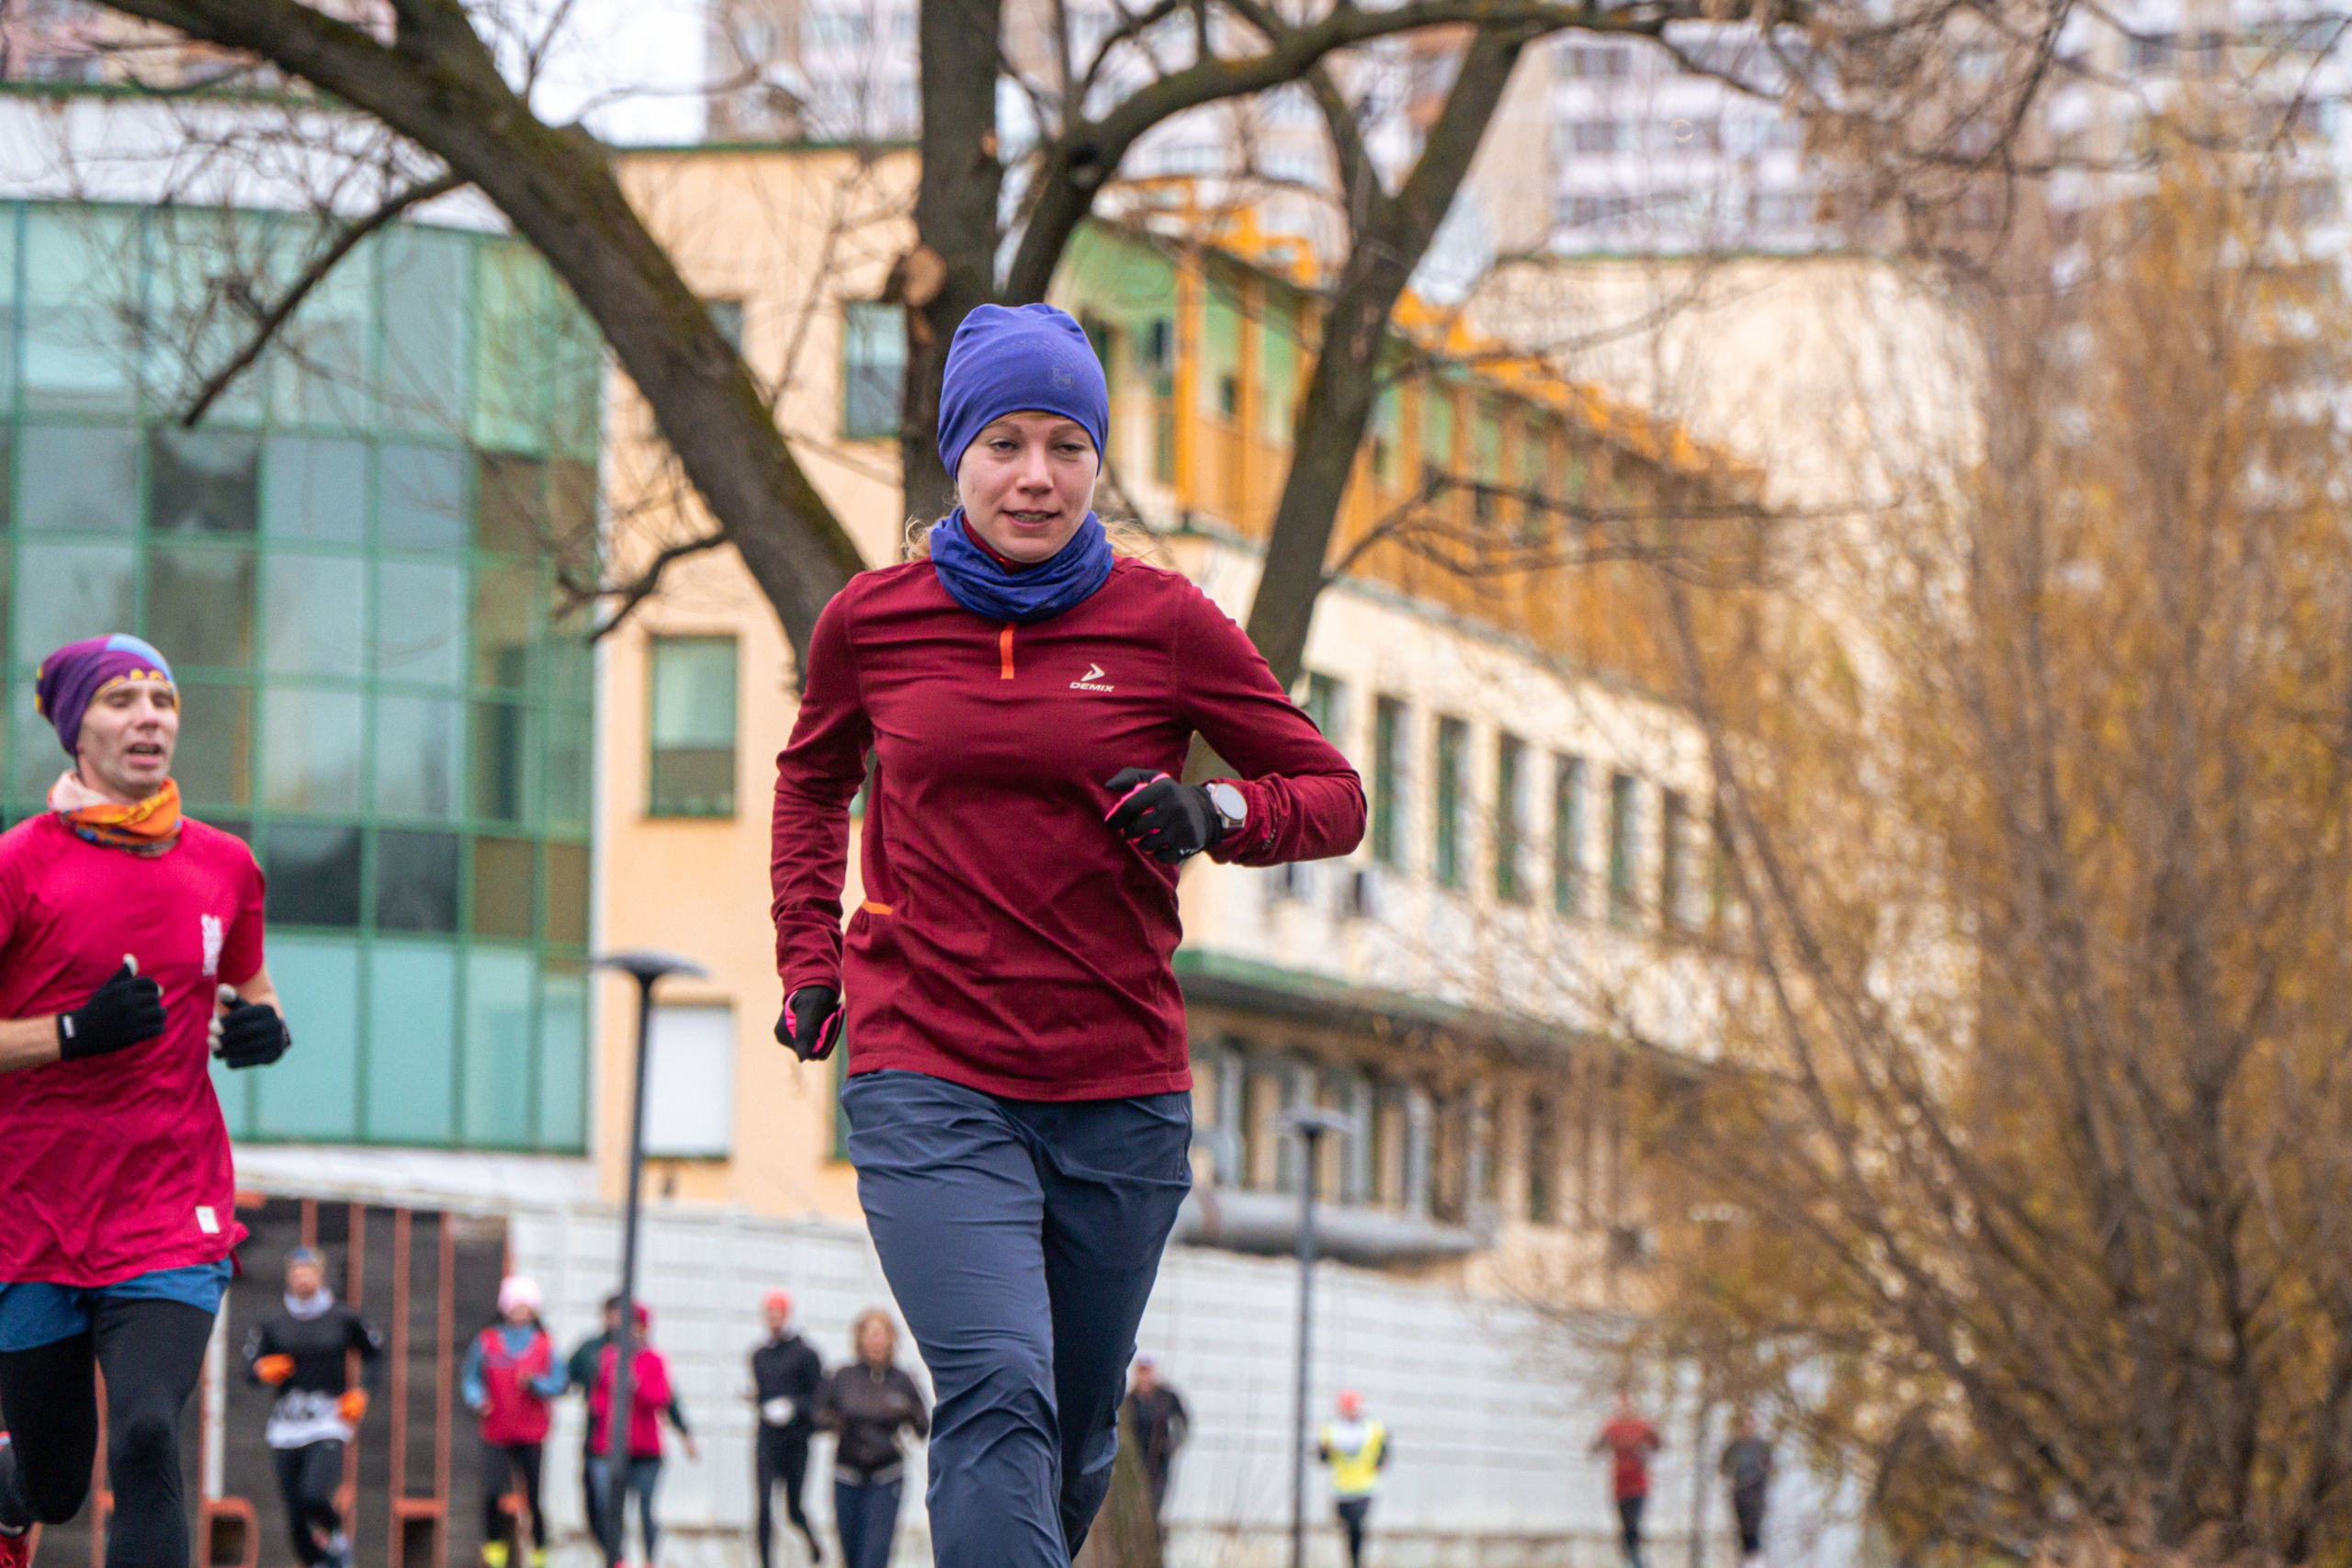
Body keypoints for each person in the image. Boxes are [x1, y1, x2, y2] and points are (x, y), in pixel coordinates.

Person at [771, 302, 1364, 1568]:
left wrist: (1214, 812)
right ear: (958, 453)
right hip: (928, 1067)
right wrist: (808, 957)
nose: (1035, 476)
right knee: (997, 1381)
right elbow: (812, 781)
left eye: (1066, 446)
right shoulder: (871, 622)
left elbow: (1334, 795)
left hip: (1115, 1087)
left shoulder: (1165, 624)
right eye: (1004, 443)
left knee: (1078, 1429)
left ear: (1097, 460)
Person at [0, 635, 290, 1568]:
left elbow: (251, 985)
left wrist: (264, 1028)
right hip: (32, 1209)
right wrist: (70, 1033)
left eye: (162, 699)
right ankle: (12, 1489)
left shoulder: (225, 865)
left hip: (171, 1203)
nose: (149, 718)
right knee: (55, 1482)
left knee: (148, 1432)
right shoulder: (18, 864)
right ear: (75, 727)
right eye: (121, 699)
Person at [243, 1247, 382, 1568]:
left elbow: (375, 1354)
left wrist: (363, 1393)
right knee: (294, 1512)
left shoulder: (343, 1317)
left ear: (320, 1275)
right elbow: (248, 1368)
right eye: (296, 1271)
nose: (302, 1277)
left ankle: (336, 1538)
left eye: (308, 1270)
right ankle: (317, 1561)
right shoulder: (274, 1323)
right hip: (286, 1424)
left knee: (313, 1495)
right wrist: (261, 1369)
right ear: (288, 1276)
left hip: (329, 1419)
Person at [567, 1293, 694, 1543]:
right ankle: (610, 1551)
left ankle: (619, 1554)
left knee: (628, 1508)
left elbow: (666, 1398)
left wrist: (684, 1432)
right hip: (599, 1438)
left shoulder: (649, 1359)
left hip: (634, 1446)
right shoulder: (594, 1349)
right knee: (598, 1507)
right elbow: (570, 1377)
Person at [461, 1275, 566, 1568]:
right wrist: (477, 1399)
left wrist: (537, 1384)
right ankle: (494, 1549)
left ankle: (540, 1551)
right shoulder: (487, 1341)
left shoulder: (545, 1344)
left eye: (525, 1308)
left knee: (533, 1496)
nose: (520, 1314)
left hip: (531, 1432)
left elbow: (559, 1381)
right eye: (515, 1307)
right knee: (492, 1492)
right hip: (497, 1430)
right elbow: (471, 1377)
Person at [815, 1311, 929, 1568]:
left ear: (891, 1339)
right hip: (847, 1474)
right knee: (850, 1555)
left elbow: (923, 1426)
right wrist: (840, 1422)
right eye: (870, 1334)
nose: (876, 1341)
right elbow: (818, 1416)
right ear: (859, 1339)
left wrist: (904, 1412)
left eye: (881, 1334)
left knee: (874, 1556)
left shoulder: (902, 1380)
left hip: (886, 1476)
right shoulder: (843, 1376)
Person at [750, 1289, 825, 1568]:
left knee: (793, 1507)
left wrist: (794, 1406)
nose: (773, 1319)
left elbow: (819, 1396)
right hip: (767, 1438)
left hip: (795, 1440)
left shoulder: (805, 1354)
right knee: (763, 1505)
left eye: (777, 1313)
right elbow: (762, 1395)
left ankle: (812, 1542)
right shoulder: (759, 1356)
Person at [1592, 1389, 1665, 1568]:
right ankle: (1629, 1561)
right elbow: (1596, 1447)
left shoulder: (1641, 1425)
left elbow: (1658, 1445)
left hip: (1639, 1485)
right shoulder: (1612, 1426)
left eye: (1628, 1404)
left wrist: (1653, 1434)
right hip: (1619, 1486)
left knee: (1634, 1526)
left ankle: (1638, 1562)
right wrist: (1602, 1442)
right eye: (1622, 1404)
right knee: (1625, 1528)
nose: (1625, 1407)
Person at [1317, 1389, 1387, 1568]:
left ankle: (1356, 1563)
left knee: (1356, 1527)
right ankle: (1352, 1561)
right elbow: (1323, 1456)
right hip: (1341, 1489)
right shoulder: (1333, 1429)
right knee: (1347, 1529)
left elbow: (1384, 1451)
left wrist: (1380, 1462)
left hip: (1365, 1487)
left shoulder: (1373, 1428)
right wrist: (1324, 1452)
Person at [1120, 1353, 1189, 1531]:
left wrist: (1172, 1444)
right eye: (1142, 1371)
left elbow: (1182, 1424)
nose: (1145, 1376)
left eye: (1148, 1371)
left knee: (1157, 1501)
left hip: (1161, 1460)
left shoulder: (1167, 1398)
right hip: (1136, 1461)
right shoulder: (1129, 1402)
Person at [1719, 1411, 1774, 1562]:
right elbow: (1724, 1468)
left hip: (1756, 1491)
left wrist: (1761, 1472)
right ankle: (1746, 1556)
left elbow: (1769, 1467)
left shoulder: (1761, 1446)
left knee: (1754, 1525)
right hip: (1740, 1491)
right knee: (1742, 1527)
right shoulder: (1734, 1447)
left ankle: (1754, 1556)